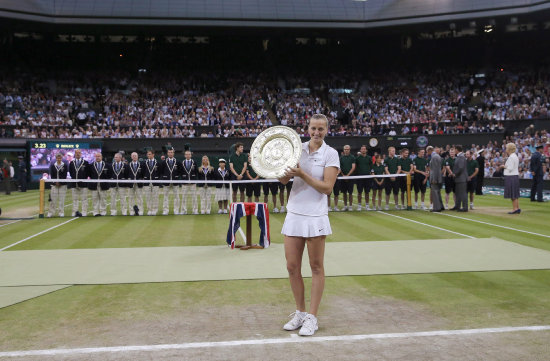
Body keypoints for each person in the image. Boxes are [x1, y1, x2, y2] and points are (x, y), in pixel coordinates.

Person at [279, 114, 339, 337]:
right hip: (294, 213)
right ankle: (300, 313)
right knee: (292, 267)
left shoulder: (331, 154)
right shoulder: (297, 149)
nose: (316, 132)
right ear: (308, 128)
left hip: (315, 216)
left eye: (321, 129)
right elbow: (283, 181)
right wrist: (274, 167)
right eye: (313, 128)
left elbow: (327, 188)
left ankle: (312, 317)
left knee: (316, 267)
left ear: (326, 130)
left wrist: (302, 173)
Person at [87, 152, 110, 216]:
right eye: (96, 156)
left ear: (101, 157)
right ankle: (95, 212)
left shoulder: (107, 165)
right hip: (94, 185)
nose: (97, 157)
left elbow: (109, 174)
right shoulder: (91, 165)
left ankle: (103, 212)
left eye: (99, 156)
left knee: (103, 199)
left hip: (103, 185)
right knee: (95, 199)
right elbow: (89, 174)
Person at [501, 142, 521, 214]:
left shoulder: (512, 157)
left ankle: (515, 209)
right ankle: (517, 208)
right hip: (514, 176)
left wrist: (503, 166)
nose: (506, 149)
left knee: (513, 194)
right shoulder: (514, 156)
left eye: (506, 148)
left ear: (509, 149)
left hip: (511, 176)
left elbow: (510, 168)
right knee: (515, 193)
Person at [68, 149, 89, 217]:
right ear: (74, 154)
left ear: (81, 154)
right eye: (76, 153)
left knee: (84, 199)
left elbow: (87, 173)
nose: (78, 154)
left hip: (83, 184)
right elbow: (71, 173)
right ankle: (75, 212)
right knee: (75, 199)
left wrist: (83, 179)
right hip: (74, 184)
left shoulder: (85, 162)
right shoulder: (72, 163)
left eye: (79, 153)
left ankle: (84, 212)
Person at [160, 148, 181, 215]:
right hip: (166, 182)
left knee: (176, 197)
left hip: (175, 181)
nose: (170, 153)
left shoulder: (178, 162)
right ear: (167, 153)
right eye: (169, 152)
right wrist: (166, 177)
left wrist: (176, 176)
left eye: (171, 152)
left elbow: (180, 171)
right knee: (165, 197)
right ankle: (165, 210)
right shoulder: (164, 162)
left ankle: (176, 210)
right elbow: (162, 171)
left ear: (173, 153)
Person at [48, 153, 68, 217]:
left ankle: (61, 213)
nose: (59, 159)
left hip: (63, 185)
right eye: (57, 158)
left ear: (61, 158)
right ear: (56, 158)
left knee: (61, 200)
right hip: (54, 185)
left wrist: (60, 182)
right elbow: (52, 175)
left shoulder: (65, 165)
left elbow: (64, 175)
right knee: (53, 200)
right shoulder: (53, 165)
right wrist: (55, 182)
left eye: (60, 158)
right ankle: (51, 213)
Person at [142, 149, 161, 216]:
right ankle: (149, 210)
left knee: (155, 197)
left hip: (155, 182)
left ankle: (155, 210)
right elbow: (143, 172)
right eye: (148, 154)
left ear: (153, 154)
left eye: (149, 154)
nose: (148, 155)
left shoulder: (157, 163)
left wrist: (156, 178)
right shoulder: (144, 163)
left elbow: (159, 172)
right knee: (148, 197)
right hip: (147, 182)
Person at [180, 150, 198, 215]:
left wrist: (193, 179)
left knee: (194, 197)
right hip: (184, 183)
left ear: (191, 155)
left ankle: (195, 210)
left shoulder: (194, 162)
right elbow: (181, 172)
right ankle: (183, 210)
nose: (188, 155)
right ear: (185, 155)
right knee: (184, 198)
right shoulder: (182, 162)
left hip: (193, 183)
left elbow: (196, 172)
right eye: (186, 154)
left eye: (189, 154)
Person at [355, 145, 372, 211]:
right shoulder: (357, 158)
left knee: (367, 192)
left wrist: (371, 172)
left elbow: (371, 166)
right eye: (362, 149)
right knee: (359, 192)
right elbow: (355, 167)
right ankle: (359, 205)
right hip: (360, 177)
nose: (363, 150)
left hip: (367, 177)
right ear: (360, 150)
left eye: (364, 149)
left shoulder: (369, 158)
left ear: (366, 150)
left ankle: (367, 205)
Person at [126, 152, 144, 216]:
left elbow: (143, 174)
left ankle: (140, 211)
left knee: (139, 197)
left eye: (135, 156)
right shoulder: (128, 165)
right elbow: (126, 174)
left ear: (137, 157)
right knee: (131, 198)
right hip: (131, 184)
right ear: (131, 157)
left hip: (139, 184)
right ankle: (132, 211)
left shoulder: (141, 165)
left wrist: (141, 180)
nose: (134, 157)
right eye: (133, 156)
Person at [339, 145, 356, 211]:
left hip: (350, 177)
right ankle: (345, 206)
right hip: (343, 178)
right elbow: (339, 168)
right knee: (344, 193)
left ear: (349, 150)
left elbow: (353, 167)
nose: (346, 150)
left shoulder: (352, 157)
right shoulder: (341, 158)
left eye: (347, 149)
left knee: (350, 193)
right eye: (345, 149)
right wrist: (344, 175)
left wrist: (348, 175)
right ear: (343, 150)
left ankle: (350, 206)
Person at [452, 145, 468, 212]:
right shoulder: (459, 156)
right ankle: (457, 206)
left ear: (457, 150)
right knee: (458, 193)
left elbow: (460, 167)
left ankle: (465, 207)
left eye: (454, 149)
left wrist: (455, 174)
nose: (453, 151)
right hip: (459, 178)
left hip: (461, 178)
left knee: (463, 193)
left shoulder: (461, 157)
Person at [428, 146, 444, 212]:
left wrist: (434, 179)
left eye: (427, 151)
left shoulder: (434, 157)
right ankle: (441, 206)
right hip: (438, 177)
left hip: (435, 178)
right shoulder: (437, 156)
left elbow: (435, 169)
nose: (427, 153)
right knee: (438, 192)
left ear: (429, 150)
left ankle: (437, 208)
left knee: (435, 192)